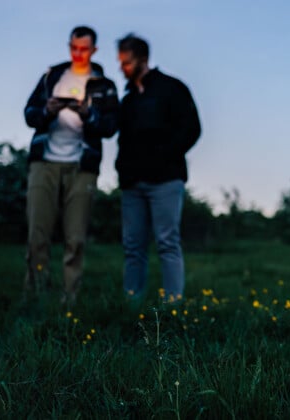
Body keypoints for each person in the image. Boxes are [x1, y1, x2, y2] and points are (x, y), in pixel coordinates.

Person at [23, 26, 119, 306]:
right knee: (37, 235)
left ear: (94, 50)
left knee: (75, 238)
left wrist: (89, 115)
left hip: (82, 165)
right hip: (44, 162)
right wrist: (47, 111)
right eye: (74, 48)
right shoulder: (51, 76)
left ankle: (70, 300)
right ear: (69, 46)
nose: (78, 54)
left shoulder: (105, 85)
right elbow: (29, 114)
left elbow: (111, 126)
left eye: (84, 49)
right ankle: (35, 296)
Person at [115, 33, 201, 302]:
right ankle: (131, 302)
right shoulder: (128, 100)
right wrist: (122, 169)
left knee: (167, 242)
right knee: (133, 247)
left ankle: (173, 305)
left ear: (143, 59)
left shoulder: (172, 88)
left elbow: (192, 129)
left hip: (165, 180)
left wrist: (164, 156)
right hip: (132, 184)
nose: (122, 68)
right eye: (120, 63)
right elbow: (123, 139)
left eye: (127, 62)